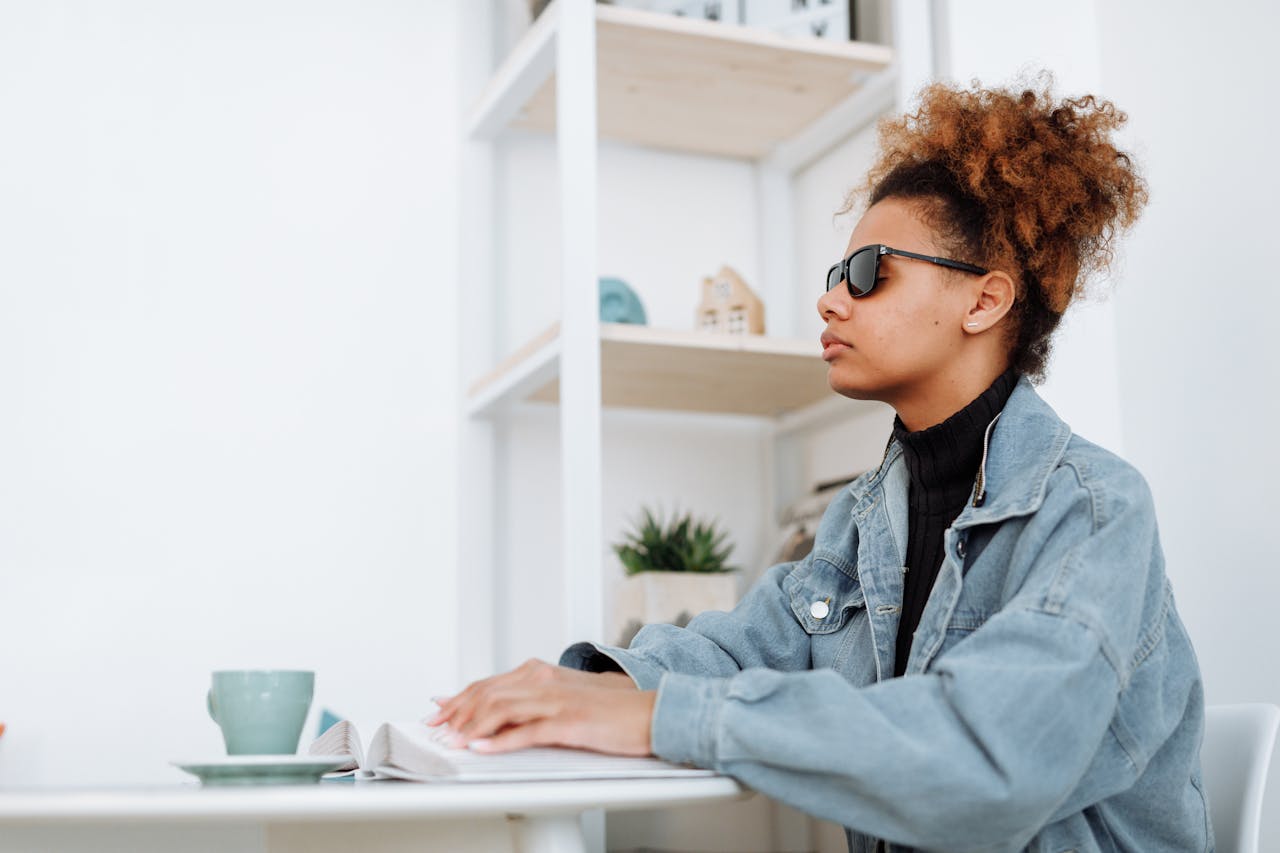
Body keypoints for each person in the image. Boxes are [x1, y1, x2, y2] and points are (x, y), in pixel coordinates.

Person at [429, 73, 1211, 853]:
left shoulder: (1096, 510)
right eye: (835, 278)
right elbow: (739, 647)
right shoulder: (863, 519)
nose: (832, 302)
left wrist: (657, 718)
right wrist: (587, 688)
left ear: (984, 302)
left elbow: (992, 756)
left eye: (871, 272)